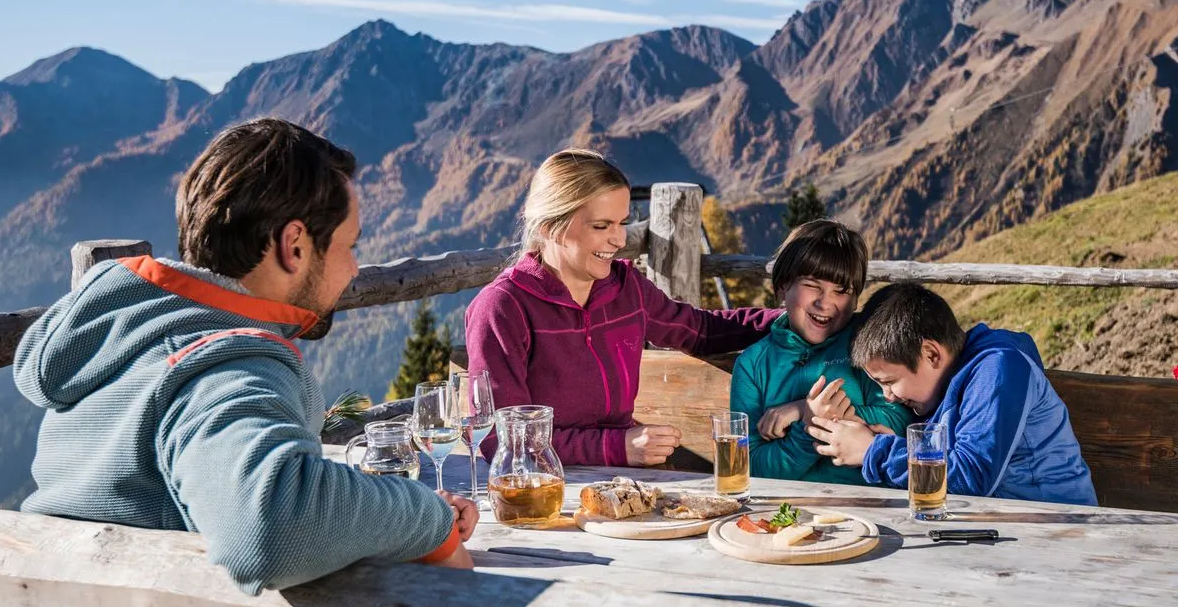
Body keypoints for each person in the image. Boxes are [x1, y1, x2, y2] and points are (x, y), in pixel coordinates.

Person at [14, 118, 477, 596]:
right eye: (348, 245)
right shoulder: (225, 364)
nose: (354, 266)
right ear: (294, 245)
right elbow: (269, 524)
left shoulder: (126, 334)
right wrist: (428, 520)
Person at [465, 149, 782, 467]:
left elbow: (702, 331)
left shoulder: (627, 289)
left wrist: (791, 319)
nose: (618, 239)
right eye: (601, 226)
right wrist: (615, 447)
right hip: (541, 492)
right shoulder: (503, 309)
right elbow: (501, 439)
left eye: (622, 223)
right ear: (549, 227)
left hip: (625, 482)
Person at [808, 282, 1097, 505]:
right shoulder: (947, 382)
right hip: (999, 527)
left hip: (1058, 527)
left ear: (931, 354)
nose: (888, 396)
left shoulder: (998, 369)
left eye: (890, 381)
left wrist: (873, 451)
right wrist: (888, 444)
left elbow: (972, 477)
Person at [730, 220, 912, 484]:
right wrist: (807, 428)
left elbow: (898, 420)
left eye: (841, 291)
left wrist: (804, 409)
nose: (824, 302)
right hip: (784, 510)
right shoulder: (753, 364)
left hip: (870, 505)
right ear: (782, 286)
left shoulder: (867, 342)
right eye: (812, 285)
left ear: (856, 298)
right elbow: (749, 465)